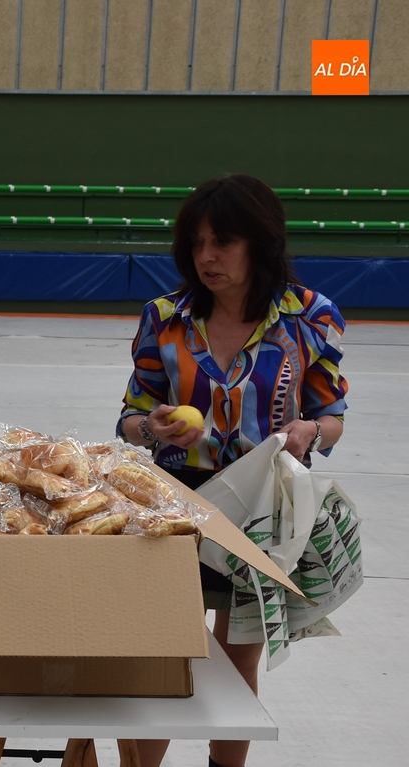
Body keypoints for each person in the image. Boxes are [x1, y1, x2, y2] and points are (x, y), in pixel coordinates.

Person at [116, 174, 348, 767]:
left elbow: (331, 418)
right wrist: (156, 426)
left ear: (261, 242)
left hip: (261, 504)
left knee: (240, 648)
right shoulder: (163, 318)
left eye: (222, 242)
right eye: (196, 244)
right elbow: (129, 419)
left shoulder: (311, 318)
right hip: (174, 501)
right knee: (165, 650)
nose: (206, 257)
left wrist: (307, 433)